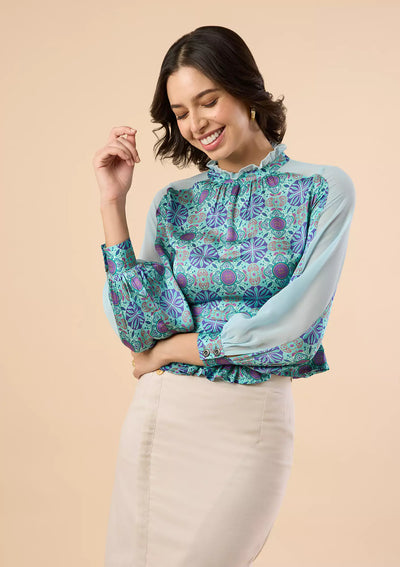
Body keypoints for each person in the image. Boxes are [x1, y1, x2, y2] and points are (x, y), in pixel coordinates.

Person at [93, 25, 356, 567]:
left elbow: (292, 333)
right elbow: (140, 332)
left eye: (208, 101)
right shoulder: (172, 202)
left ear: (244, 89)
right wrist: (112, 204)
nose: (196, 124)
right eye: (181, 112)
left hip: (251, 423)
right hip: (163, 418)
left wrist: (171, 350)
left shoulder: (322, 189)